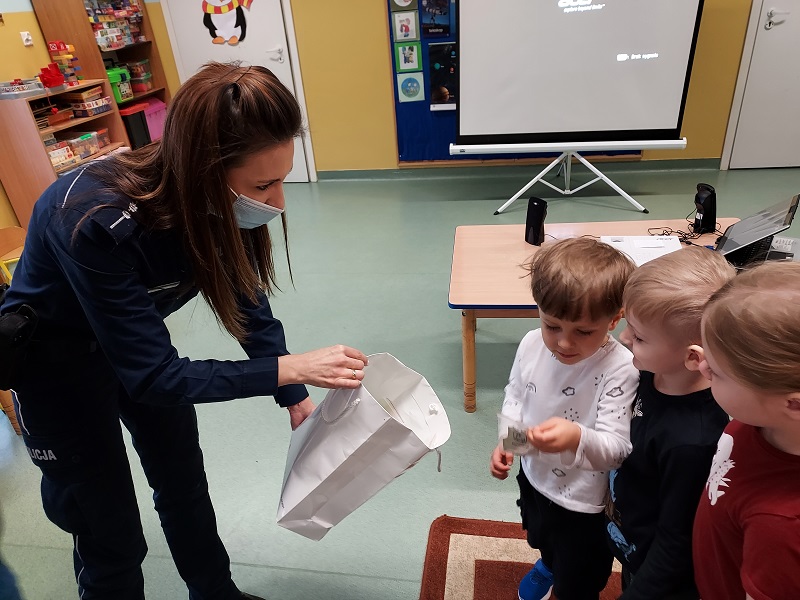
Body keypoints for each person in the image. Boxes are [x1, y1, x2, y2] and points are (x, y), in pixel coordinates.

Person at [0, 62, 368, 600]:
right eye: (263, 185)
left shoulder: (216, 206)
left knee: (184, 485)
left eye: (281, 180)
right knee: (109, 532)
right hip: (56, 369)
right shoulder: (91, 217)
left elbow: (247, 302)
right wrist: (286, 368)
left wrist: (293, 394)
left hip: (135, 342)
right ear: (202, 171)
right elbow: (156, 378)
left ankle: (215, 592)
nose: (278, 202)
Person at [489, 237, 639, 600]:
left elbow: (617, 449)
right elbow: (516, 394)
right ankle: (548, 564)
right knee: (541, 535)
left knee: (580, 576)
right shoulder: (531, 344)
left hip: (582, 501)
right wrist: (509, 442)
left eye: (583, 331)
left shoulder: (621, 369)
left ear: (614, 319)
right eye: (552, 325)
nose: (564, 343)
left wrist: (576, 437)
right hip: (534, 477)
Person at [606, 247, 734, 599]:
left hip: (659, 574)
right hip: (632, 542)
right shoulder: (650, 372)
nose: (624, 338)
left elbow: (676, 542)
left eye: (639, 336)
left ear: (692, 357)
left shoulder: (694, 442)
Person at [693, 261, 800, 600]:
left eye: (717, 372)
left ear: (794, 404)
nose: (702, 367)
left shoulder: (780, 523)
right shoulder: (760, 418)